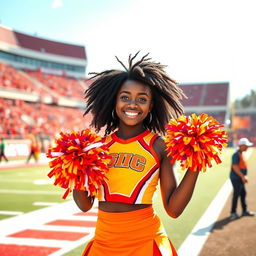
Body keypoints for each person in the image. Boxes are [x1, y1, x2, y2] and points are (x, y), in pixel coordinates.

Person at [73, 52, 200, 256]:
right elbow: (85, 204)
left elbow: (173, 210)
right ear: (114, 101)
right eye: (125, 97)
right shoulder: (97, 147)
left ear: (151, 106)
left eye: (142, 99)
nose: (132, 104)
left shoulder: (159, 146)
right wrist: (75, 169)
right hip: (104, 242)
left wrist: (196, 165)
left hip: (145, 242)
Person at [230, 137, 255, 220]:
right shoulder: (236, 154)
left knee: (243, 193)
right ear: (242, 146)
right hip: (236, 178)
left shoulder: (240, 153)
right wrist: (242, 176)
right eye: (246, 145)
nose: (247, 147)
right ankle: (233, 212)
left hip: (239, 178)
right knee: (236, 195)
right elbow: (235, 167)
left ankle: (244, 210)